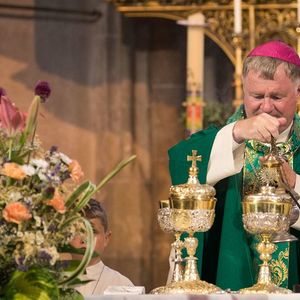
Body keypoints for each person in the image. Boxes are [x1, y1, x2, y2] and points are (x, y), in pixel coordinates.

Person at [168, 40, 300, 291]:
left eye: (277, 96)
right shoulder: (226, 138)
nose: (266, 107)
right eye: (257, 96)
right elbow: (180, 161)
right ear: (244, 91)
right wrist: (237, 133)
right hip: (230, 279)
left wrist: (294, 182)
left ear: (298, 92)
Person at [74, 199, 134, 296]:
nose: (84, 239)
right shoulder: (51, 283)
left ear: (106, 238)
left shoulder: (121, 286)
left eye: (92, 232)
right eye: (78, 231)